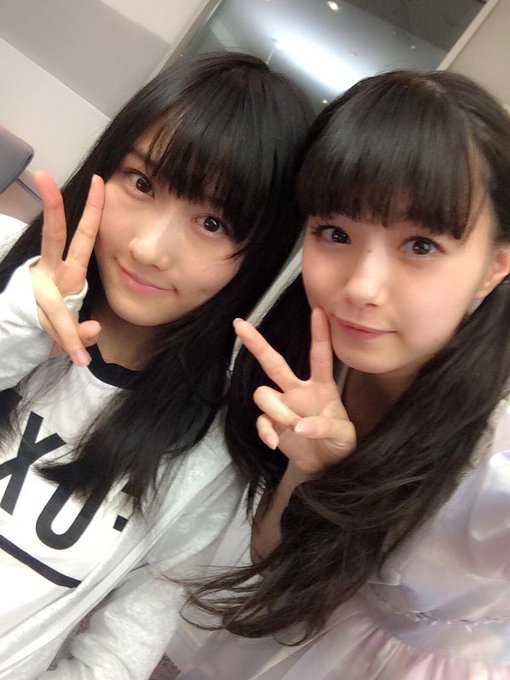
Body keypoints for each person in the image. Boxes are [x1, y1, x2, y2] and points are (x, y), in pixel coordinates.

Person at [180, 70, 510, 679]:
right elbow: (274, 555)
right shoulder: (320, 366)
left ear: (495, 267)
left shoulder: (498, 458)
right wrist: (306, 472)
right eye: (335, 233)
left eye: (421, 245)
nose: (361, 287)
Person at [0, 52, 312, 679]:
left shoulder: (206, 448)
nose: (149, 248)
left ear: (257, 254)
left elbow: (121, 648)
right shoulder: (3, 252)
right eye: (142, 183)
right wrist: (14, 325)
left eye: (212, 222)